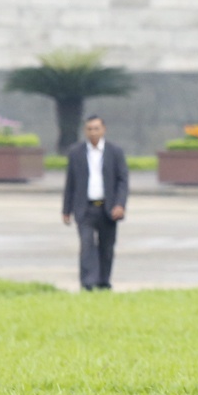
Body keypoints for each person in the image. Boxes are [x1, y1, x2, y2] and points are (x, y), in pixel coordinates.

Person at [61, 114, 128, 291]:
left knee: (106, 249)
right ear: (85, 130)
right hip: (85, 208)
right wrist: (66, 209)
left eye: (96, 128)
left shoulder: (115, 152)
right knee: (86, 246)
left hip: (108, 208)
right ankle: (88, 283)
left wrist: (120, 204)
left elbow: (122, 180)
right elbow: (70, 182)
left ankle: (103, 282)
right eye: (89, 129)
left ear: (104, 129)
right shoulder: (76, 153)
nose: (93, 132)